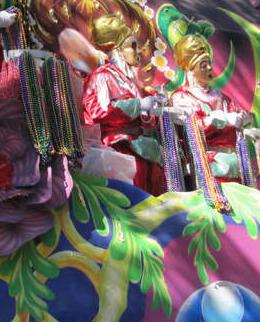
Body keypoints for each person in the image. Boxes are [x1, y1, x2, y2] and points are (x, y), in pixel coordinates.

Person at [82, 14, 166, 196]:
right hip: (122, 154)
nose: (139, 52)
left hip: (147, 155)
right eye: (133, 46)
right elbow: (100, 112)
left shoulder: (134, 82)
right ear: (118, 49)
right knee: (134, 208)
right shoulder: (103, 76)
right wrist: (138, 105)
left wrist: (158, 112)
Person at [170, 34, 250, 183]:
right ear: (190, 69)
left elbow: (244, 115)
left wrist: (244, 119)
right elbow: (190, 128)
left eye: (209, 63)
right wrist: (223, 119)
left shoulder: (221, 97)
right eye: (203, 64)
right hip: (206, 168)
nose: (209, 67)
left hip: (234, 167)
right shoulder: (181, 97)